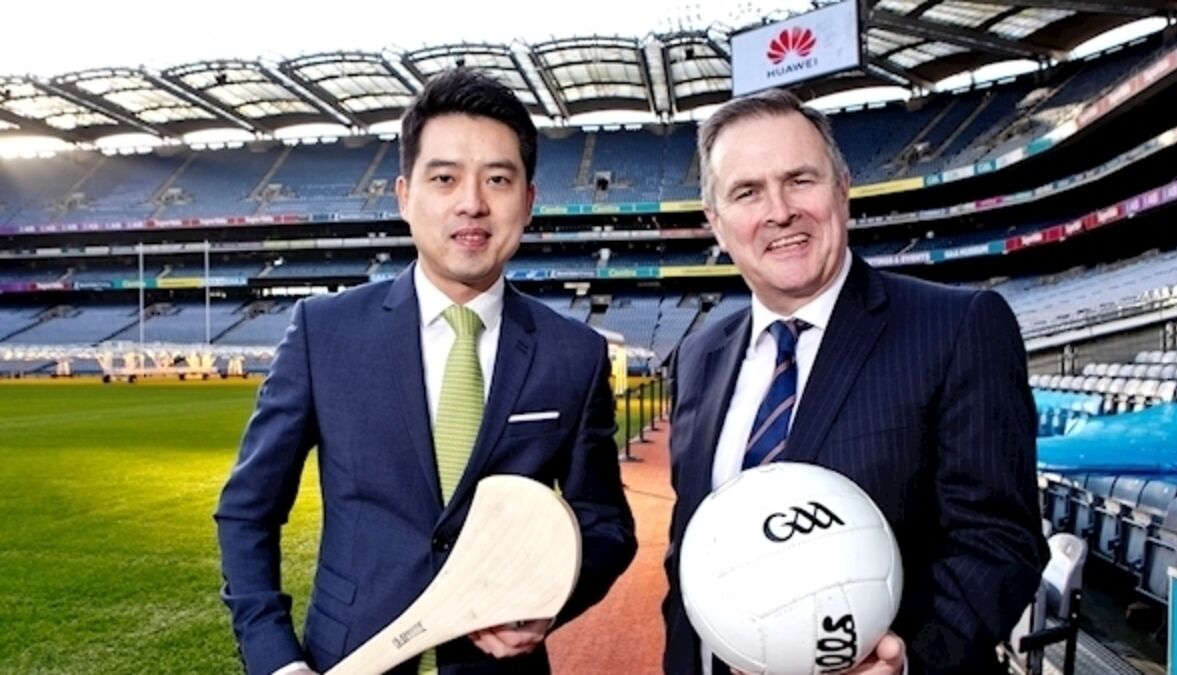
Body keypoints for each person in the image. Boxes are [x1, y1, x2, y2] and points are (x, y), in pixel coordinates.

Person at [215, 68, 637, 675]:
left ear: (528, 200)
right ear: (405, 195)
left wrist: (548, 600)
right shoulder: (323, 332)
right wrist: (275, 659)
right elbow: (248, 510)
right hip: (351, 658)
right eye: (445, 178)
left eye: (498, 179)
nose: (472, 202)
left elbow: (604, 523)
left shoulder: (574, 353)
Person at [662, 89, 1049, 675]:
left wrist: (906, 660)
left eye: (800, 180)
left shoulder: (958, 326)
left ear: (842, 188)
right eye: (747, 192)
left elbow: (999, 540)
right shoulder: (698, 355)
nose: (779, 211)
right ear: (716, 221)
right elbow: (690, 548)